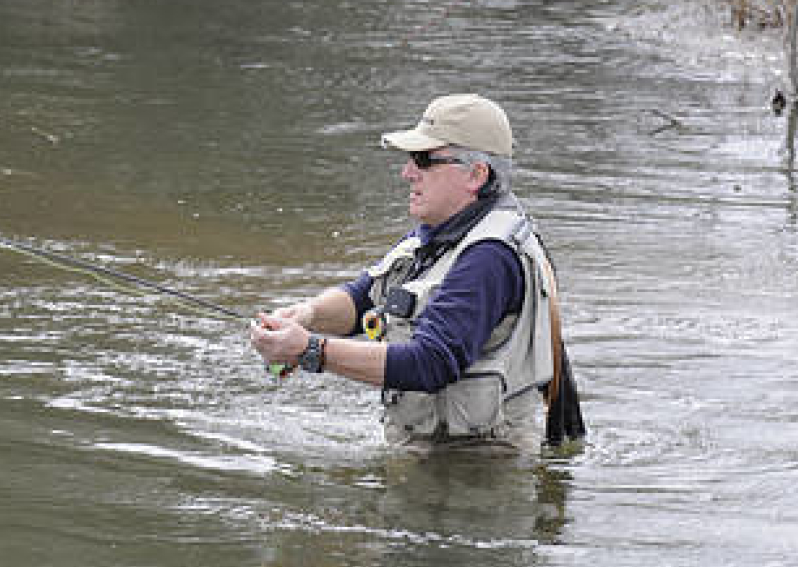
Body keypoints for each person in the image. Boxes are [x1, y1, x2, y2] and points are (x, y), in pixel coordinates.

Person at [249, 94, 585, 455]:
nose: (407, 172)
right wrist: (308, 314)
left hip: (476, 480)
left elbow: (430, 361)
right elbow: (364, 297)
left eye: (424, 160)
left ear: (476, 174)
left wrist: (311, 351)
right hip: (438, 464)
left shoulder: (489, 258)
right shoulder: (438, 235)